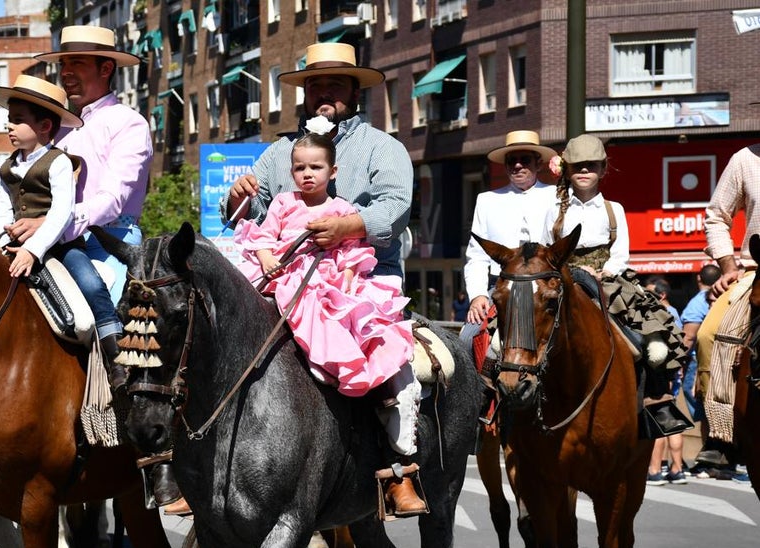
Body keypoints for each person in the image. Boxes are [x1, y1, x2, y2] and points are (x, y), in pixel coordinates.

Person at [234, 132, 424, 514]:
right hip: (283, 275)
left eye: (315, 168)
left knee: (379, 343)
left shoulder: (355, 187)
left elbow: (364, 242)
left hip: (334, 279)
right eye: (299, 168)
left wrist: (350, 272)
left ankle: (397, 465)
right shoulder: (284, 199)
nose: (306, 174)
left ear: (332, 171)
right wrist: (267, 253)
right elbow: (261, 232)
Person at [29, 26, 177, 509]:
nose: (66, 73)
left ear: (105, 68)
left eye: (77, 64)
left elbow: (113, 197)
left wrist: (59, 226)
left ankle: (156, 453)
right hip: (52, 238)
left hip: (112, 246)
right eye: (63, 64)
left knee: (120, 328)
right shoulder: (59, 126)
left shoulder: (130, 124)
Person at [224, 42, 413, 283]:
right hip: (285, 279)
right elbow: (254, 215)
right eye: (315, 86)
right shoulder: (279, 152)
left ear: (355, 93)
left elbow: (395, 208)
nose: (324, 93)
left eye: (335, 84)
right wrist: (239, 198)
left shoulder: (383, 147)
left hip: (363, 279)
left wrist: (346, 227)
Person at [540, 134, 687, 435]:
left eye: (591, 166)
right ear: (567, 170)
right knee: (515, 335)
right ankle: (502, 402)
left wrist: (603, 272)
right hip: (563, 282)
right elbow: (545, 250)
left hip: (608, 283)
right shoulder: (553, 209)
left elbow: (621, 253)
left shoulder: (614, 209)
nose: (584, 172)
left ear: (603, 170)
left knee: (651, 345)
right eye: (578, 166)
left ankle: (654, 404)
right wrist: (565, 272)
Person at [693, 143, 760, 469]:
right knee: (708, 335)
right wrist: (729, 266)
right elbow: (717, 216)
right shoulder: (745, 159)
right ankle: (721, 435)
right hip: (755, 270)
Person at [0, 74, 83, 278]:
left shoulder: (59, 162)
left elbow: (62, 213)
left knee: (90, 283)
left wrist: (33, 250)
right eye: (9, 120)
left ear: (45, 126)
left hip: (59, 245)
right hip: (16, 244)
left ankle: (107, 312)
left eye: (18, 120)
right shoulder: (6, 167)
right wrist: (0, 247)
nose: (9, 126)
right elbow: (1, 213)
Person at [464, 130, 558, 327]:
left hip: (547, 289)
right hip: (500, 288)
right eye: (511, 161)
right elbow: (477, 256)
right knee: (469, 335)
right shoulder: (487, 200)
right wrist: (478, 295)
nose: (517, 165)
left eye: (525, 160)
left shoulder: (556, 195)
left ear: (538, 164)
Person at [644, 279, 686, 485]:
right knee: (672, 422)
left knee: (657, 422)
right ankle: (677, 469)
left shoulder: (654, 316)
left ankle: (654, 470)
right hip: (672, 375)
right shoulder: (675, 315)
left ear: (661, 296)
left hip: (659, 376)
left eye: (649, 294)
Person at [679, 263, 719, 456]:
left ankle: (710, 451)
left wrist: (678, 361)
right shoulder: (724, 298)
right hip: (721, 361)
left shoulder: (697, 302)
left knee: (704, 410)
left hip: (700, 362)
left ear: (698, 278)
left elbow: (688, 337)